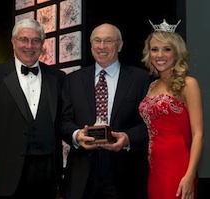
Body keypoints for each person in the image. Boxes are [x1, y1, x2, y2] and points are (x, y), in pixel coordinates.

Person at [0, 18, 66, 198]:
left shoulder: (58, 77)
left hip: (47, 174)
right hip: (2, 172)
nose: (30, 45)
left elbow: (63, 120)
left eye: (36, 40)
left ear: (42, 45)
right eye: (24, 39)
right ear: (13, 42)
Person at [61, 23, 151, 199]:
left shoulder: (141, 79)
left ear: (120, 45)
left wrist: (128, 138)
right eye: (97, 40)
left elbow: (148, 124)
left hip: (125, 171)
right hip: (82, 171)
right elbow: (63, 121)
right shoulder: (73, 80)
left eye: (108, 41)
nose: (102, 46)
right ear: (91, 44)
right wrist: (77, 135)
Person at [139, 19, 204, 199]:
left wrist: (190, 175)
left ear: (177, 53)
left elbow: (198, 134)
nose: (160, 55)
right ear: (149, 54)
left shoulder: (188, 84)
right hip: (155, 168)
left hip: (179, 168)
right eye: (154, 49)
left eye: (167, 49)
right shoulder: (152, 86)